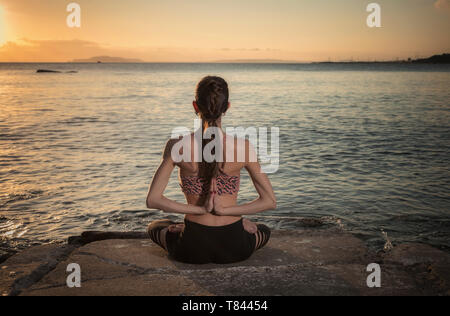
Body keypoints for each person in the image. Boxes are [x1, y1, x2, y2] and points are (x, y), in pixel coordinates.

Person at [146, 76, 276, 264]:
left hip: (191, 247)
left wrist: (198, 210)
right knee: (263, 229)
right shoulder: (244, 147)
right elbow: (270, 201)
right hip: (235, 247)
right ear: (227, 107)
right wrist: (228, 212)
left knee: (156, 226)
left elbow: (153, 200)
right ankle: (239, 224)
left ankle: (186, 226)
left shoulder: (177, 145)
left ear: (195, 106)